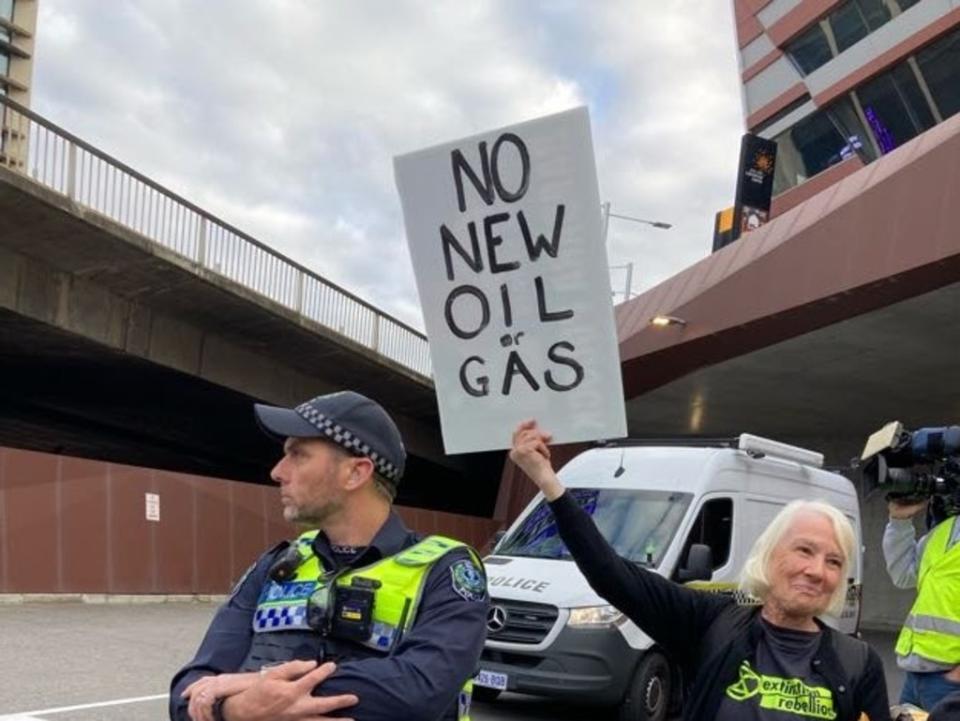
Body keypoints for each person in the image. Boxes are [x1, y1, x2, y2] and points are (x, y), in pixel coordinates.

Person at [509, 420, 889, 721]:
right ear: (770, 554)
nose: (816, 570)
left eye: (834, 561)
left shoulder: (858, 662)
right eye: (804, 550)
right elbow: (611, 574)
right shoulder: (712, 623)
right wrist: (547, 481)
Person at [169, 391, 489, 721]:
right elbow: (188, 693)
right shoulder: (276, 565)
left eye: (298, 455)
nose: (277, 471)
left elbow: (419, 691)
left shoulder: (446, 570)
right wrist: (237, 709)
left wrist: (261, 686)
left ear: (355, 473)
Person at [884, 498, 960, 710]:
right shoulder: (944, 530)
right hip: (915, 675)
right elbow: (903, 574)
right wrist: (899, 521)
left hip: (951, 682)